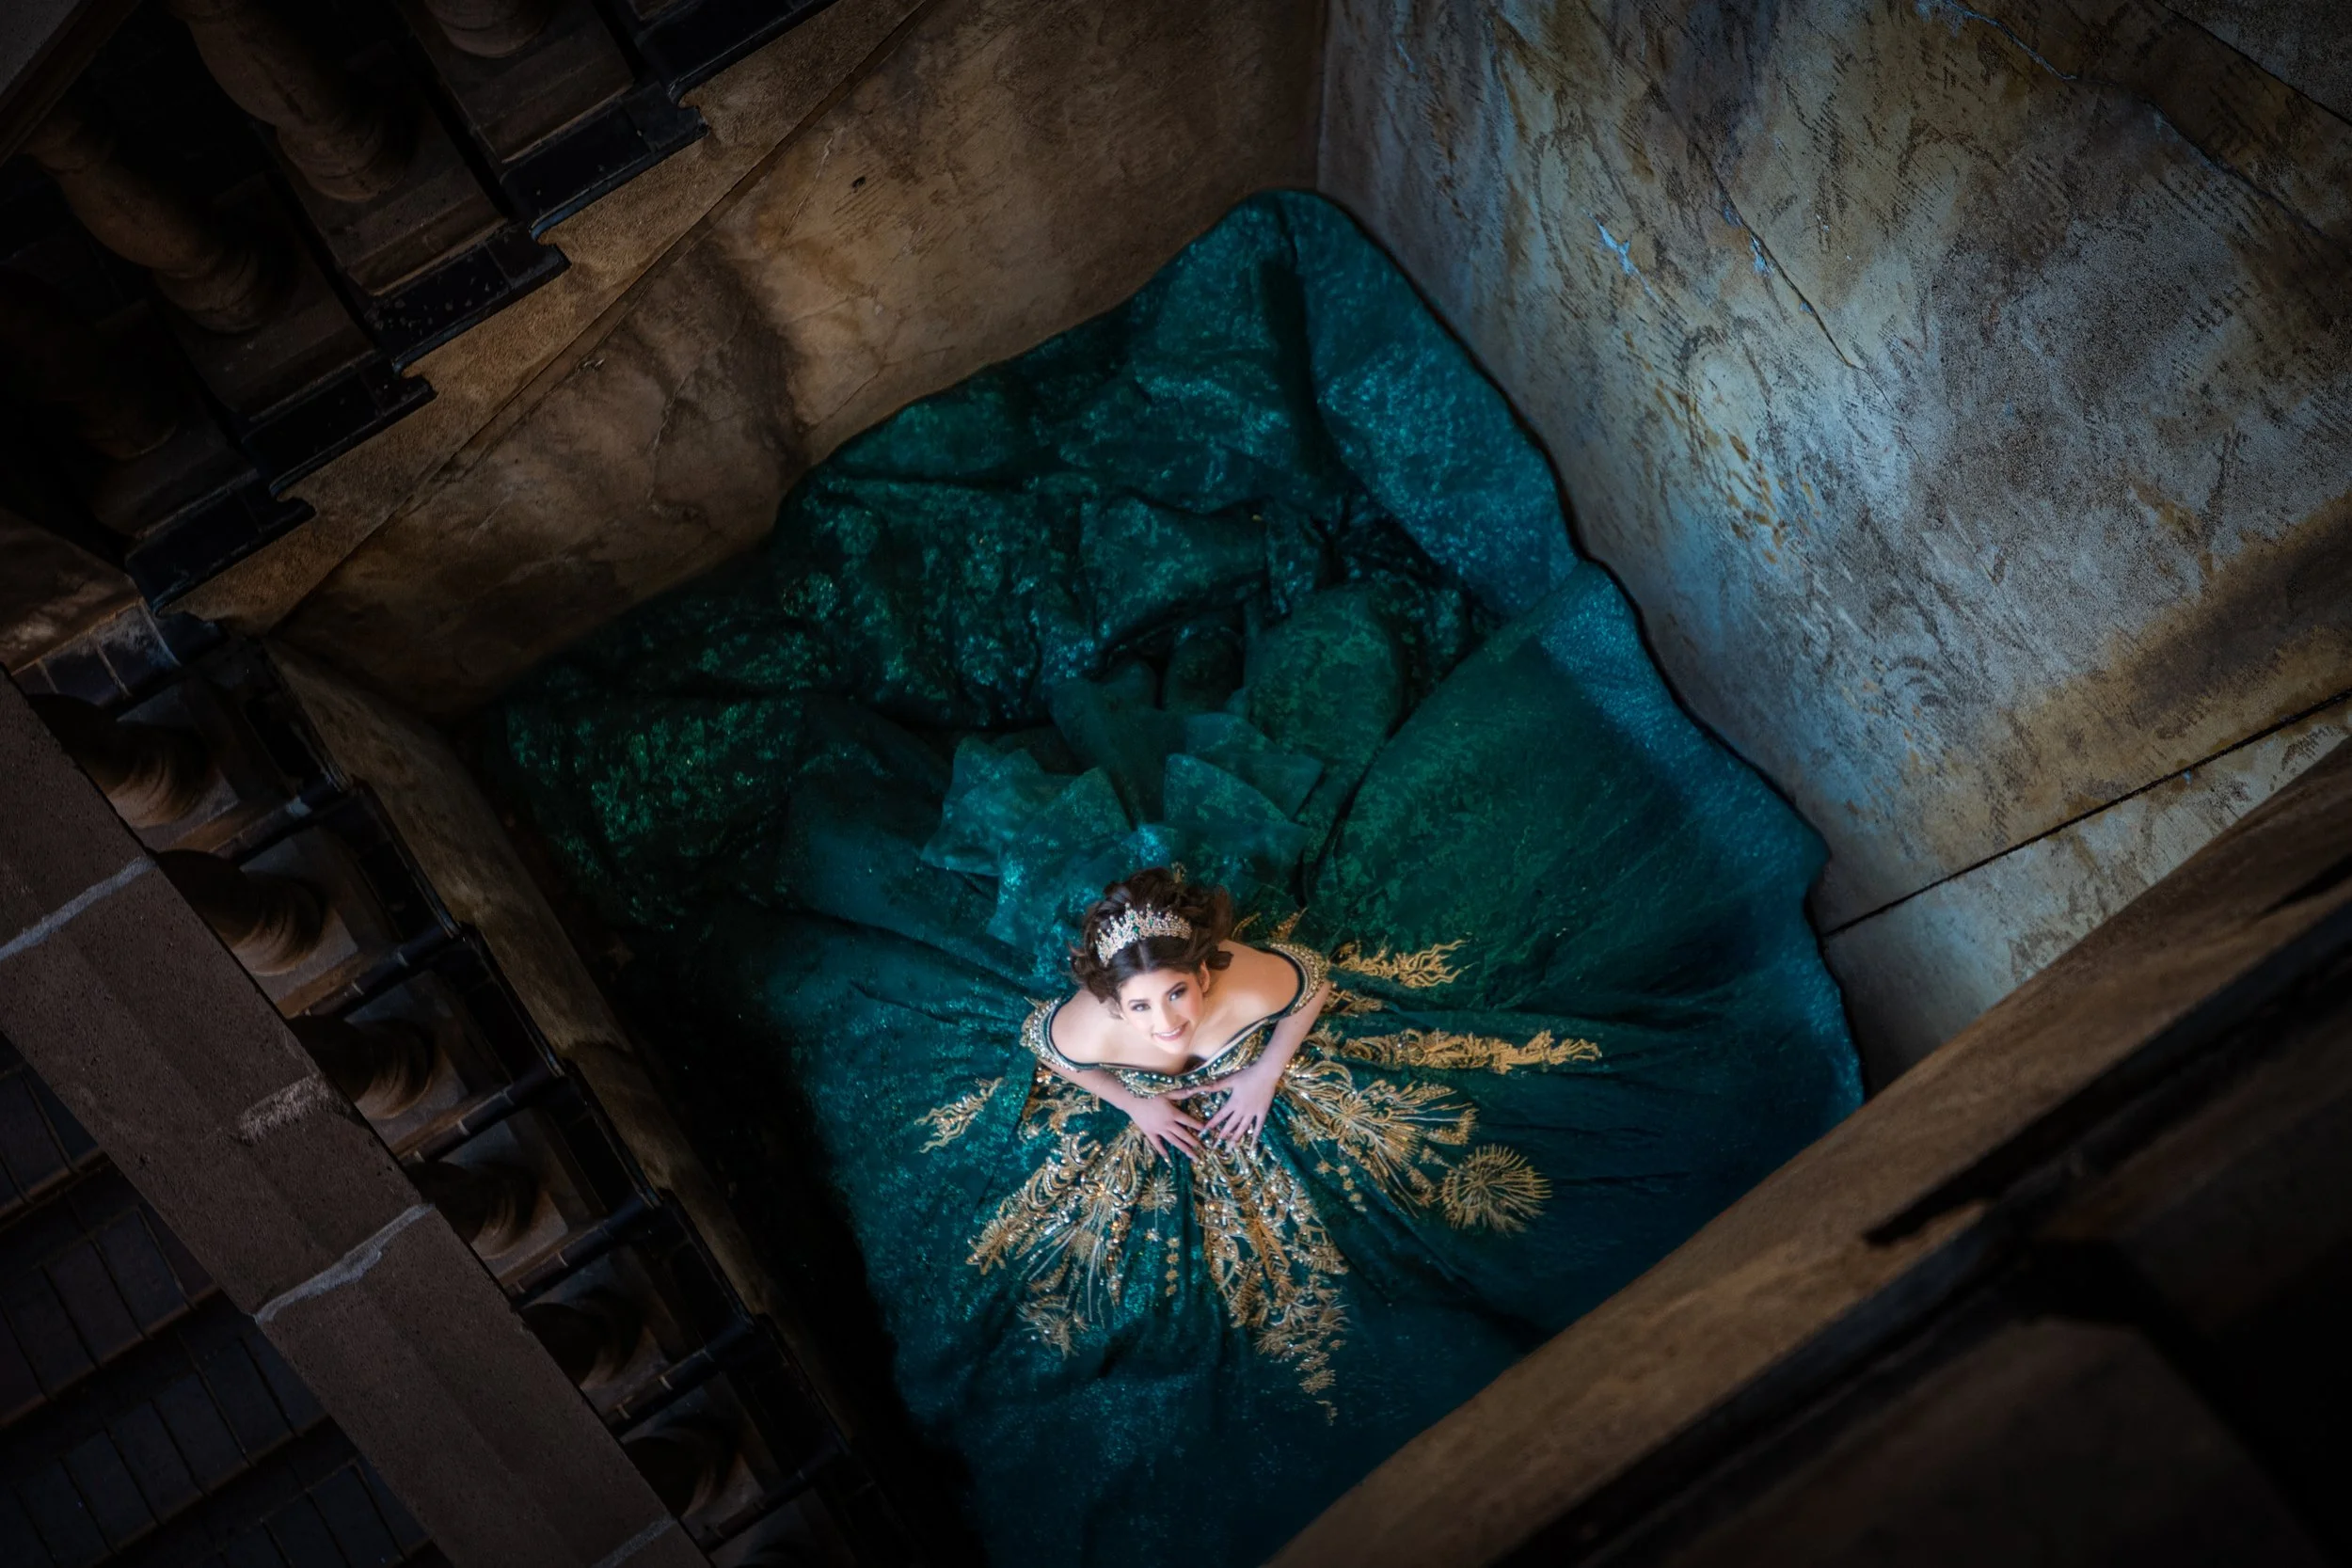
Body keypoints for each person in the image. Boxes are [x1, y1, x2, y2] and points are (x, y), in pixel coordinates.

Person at [486, 190, 1863, 1566]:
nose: (1164, 1026)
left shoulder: (1250, 974)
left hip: (1306, 1071)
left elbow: (1309, 983)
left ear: (1203, 969)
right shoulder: (1093, 1025)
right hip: (1144, 1127)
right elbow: (1055, 1043)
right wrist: (1137, 1111)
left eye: (1176, 1000)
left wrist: (1258, 1073)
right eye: (1146, 1011)